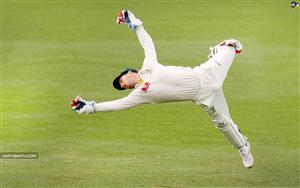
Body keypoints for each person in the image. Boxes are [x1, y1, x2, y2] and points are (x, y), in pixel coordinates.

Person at [71, 10, 254, 168]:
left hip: (206, 73)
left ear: (130, 72)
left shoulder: (149, 65)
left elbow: (147, 44)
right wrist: (93, 107)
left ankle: (218, 50)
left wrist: (136, 25)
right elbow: (117, 104)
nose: (123, 83)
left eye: (122, 78)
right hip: (203, 97)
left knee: (232, 45)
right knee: (222, 122)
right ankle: (243, 148)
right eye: (122, 86)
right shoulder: (140, 95)